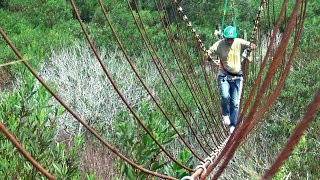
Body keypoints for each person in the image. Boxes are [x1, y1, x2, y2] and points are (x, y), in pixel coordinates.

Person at [204, 26, 256, 133]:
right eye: (227, 38)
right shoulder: (219, 44)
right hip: (224, 75)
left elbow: (251, 45)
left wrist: (251, 47)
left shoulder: (238, 42)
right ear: (224, 37)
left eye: (231, 38)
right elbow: (209, 52)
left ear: (234, 38)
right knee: (225, 95)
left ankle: (233, 125)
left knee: (234, 102)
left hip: (237, 77)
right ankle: (225, 114)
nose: (229, 40)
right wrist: (208, 55)